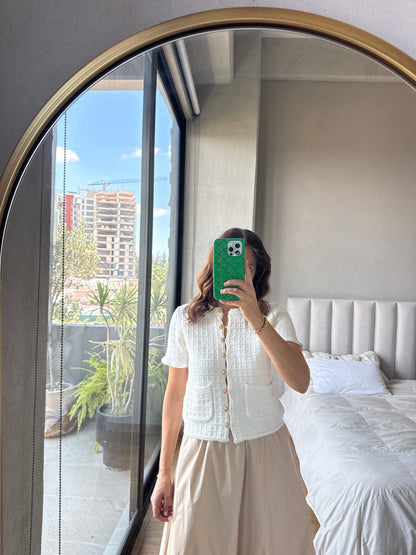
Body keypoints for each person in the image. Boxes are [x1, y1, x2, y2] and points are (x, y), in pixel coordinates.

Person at [151, 228, 315, 555]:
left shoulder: (275, 316)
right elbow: (175, 396)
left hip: (265, 452)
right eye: (235, 263)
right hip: (202, 452)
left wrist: (254, 317)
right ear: (216, 265)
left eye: (249, 266)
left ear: (258, 273)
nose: (242, 272)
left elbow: (300, 381)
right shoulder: (185, 319)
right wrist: (163, 473)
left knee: (268, 544)